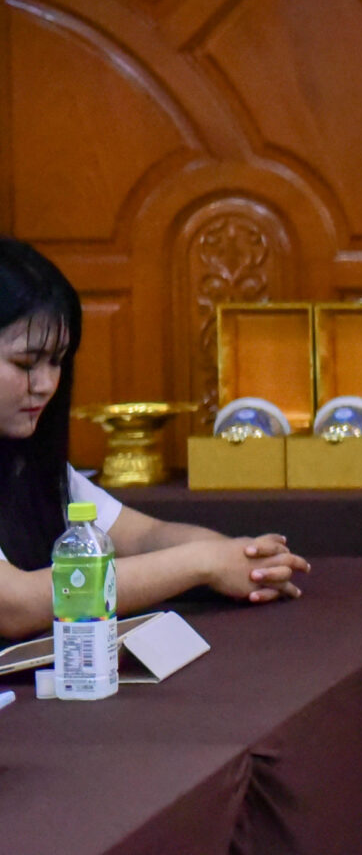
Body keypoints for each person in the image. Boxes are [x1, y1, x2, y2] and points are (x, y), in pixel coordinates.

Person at [0, 238, 310, 640]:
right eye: (26, 363)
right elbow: (16, 604)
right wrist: (200, 563)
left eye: (56, 361)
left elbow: (144, 537)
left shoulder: (25, 461)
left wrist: (243, 558)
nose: (45, 384)